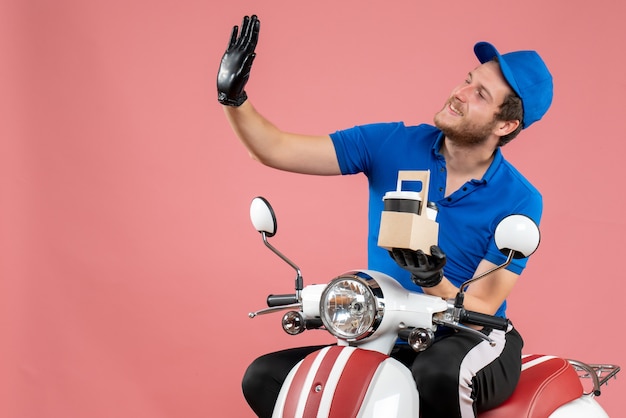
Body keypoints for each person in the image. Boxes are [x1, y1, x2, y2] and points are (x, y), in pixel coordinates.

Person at [217, 15, 553, 418]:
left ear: (506, 123)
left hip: (472, 340)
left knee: (436, 373)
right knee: (266, 377)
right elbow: (274, 149)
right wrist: (234, 98)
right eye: (467, 78)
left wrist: (433, 280)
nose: (459, 93)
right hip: (387, 330)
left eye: (480, 94)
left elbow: (481, 305)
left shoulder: (520, 199)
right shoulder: (391, 143)